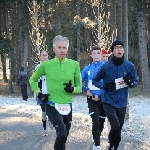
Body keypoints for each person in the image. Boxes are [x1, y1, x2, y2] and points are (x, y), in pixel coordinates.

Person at [29, 35, 82, 150]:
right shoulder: (46, 65)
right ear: (54, 49)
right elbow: (32, 80)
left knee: (63, 137)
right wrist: (39, 93)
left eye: (64, 48)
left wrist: (72, 89)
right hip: (52, 105)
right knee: (62, 133)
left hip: (67, 106)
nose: (62, 50)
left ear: (67, 49)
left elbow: (79, 87)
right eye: (59, 47)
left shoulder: (74, 65)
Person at [92, 39, 138, 150]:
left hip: (122, 102)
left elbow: (135, 82)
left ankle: (113, 147)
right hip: (109, 102)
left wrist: (130, 82)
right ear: (113, 51)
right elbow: (95, 80)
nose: (119, 49)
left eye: (121, 47)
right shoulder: (106, 66)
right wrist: (104, 86)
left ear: (123, 50)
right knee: (115, 126)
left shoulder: (129, 65)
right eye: (116, 47)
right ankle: (111, 145)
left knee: (118, 130)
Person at [81, 46, 106, 150]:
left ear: (101, 54)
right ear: (91, 55)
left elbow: (109, 84)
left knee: (101, 122)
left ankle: (96, 136)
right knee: (95, 121)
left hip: (103, 98)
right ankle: (97, 145)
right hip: (91, 98)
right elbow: (79, 82)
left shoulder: (106, 67)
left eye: (98, 53)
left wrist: (99, 94)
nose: (96, 55)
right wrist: (86, 90)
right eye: (94, 53)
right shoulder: (87, 68)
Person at [33, 50, 51, 136]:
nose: (44, 57)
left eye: (46, 55)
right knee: (44, 111)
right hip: (41, 93)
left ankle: (51, 120)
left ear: (48, 57)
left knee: (51, 109)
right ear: (40, 57)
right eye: (43, 55)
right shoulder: (38, 67)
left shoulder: (52, 66)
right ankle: (44, 129)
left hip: (51, 93)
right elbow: (35, 80)